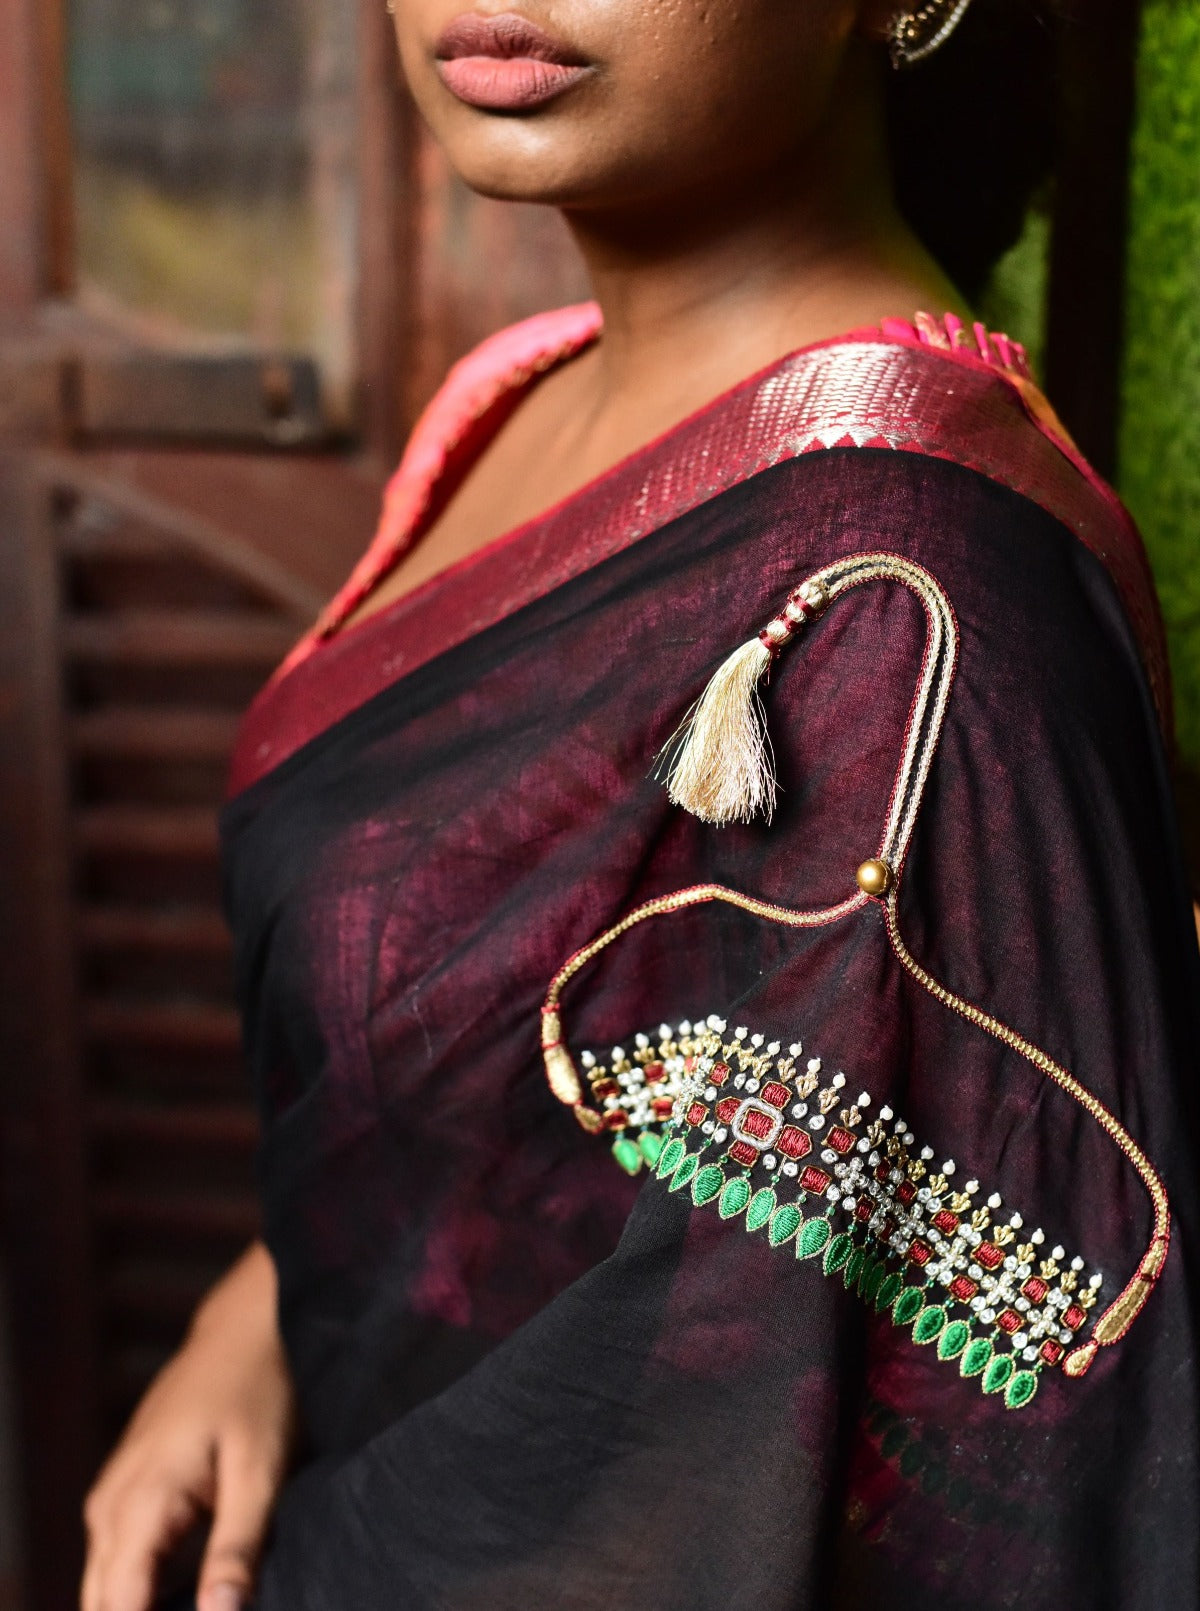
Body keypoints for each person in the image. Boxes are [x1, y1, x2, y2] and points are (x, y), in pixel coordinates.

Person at [81, 1, 1200, 1608]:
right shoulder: (517, 393)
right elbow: (538, 1112)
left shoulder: (906, 610)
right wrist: (260, 1315)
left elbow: (756, 1470)